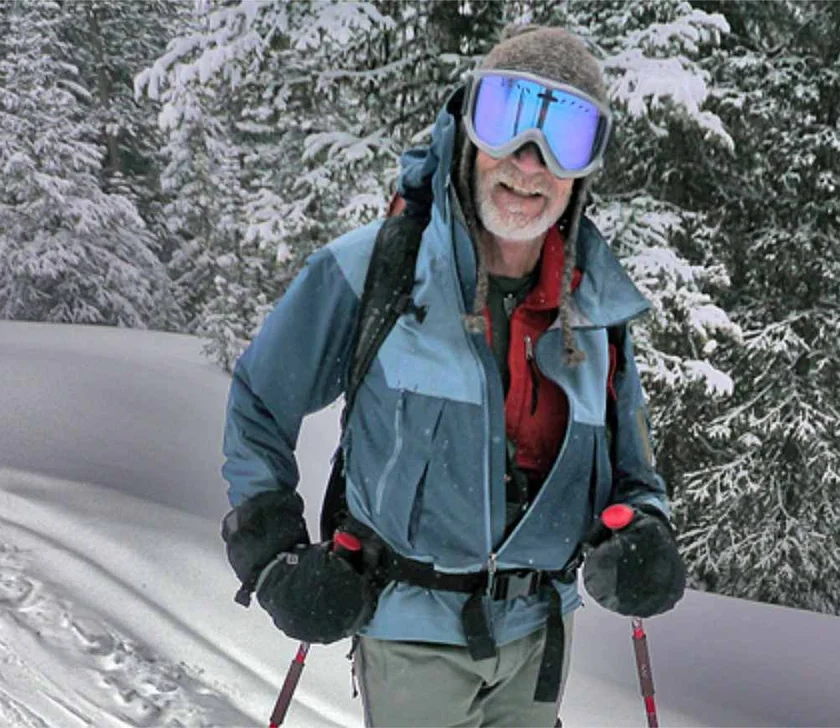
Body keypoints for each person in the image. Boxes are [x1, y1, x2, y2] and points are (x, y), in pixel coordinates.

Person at [220, 24, 686, 728]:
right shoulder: (377, 269)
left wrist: (644, 535)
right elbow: (260, 400)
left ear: (586, 165)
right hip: (410, 632)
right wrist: (274, 554)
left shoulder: (595, 307)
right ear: (467, 127)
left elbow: (633, 472)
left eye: (567, 133)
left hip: (539, 639)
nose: (530, 162)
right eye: (506, 119)